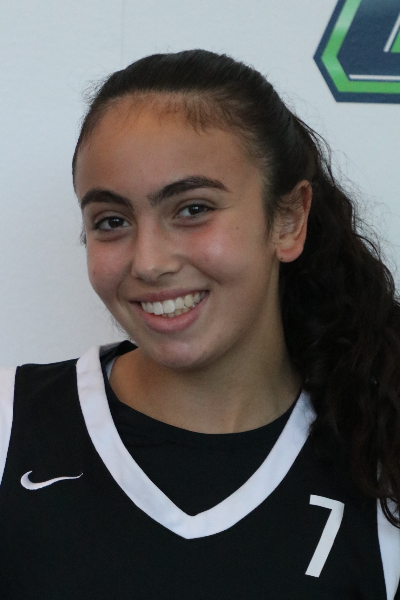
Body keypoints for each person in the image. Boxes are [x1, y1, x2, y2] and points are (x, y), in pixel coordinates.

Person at [0, 49, 399, 599]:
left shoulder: (380, 464)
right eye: (111, 221)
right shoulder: (11, 426)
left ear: (289, 219)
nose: (148, 262)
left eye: (193, 209)